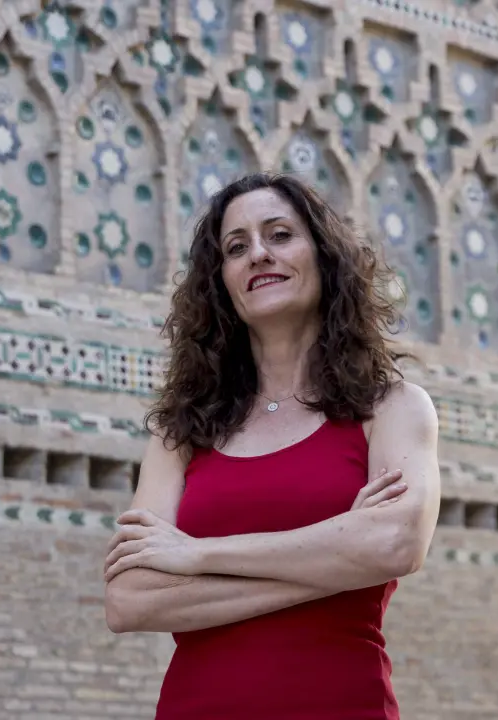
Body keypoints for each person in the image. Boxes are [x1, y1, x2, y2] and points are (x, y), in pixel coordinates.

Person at [102, 172, 441, 719]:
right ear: (222, 282)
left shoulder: (392, 408)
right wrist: (338, 559)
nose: (259, 253)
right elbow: (130, 600)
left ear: (323, 256)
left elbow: (396, 545)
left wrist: (199, 555)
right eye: (236, 248)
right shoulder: (182, 431)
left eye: (280, 235)